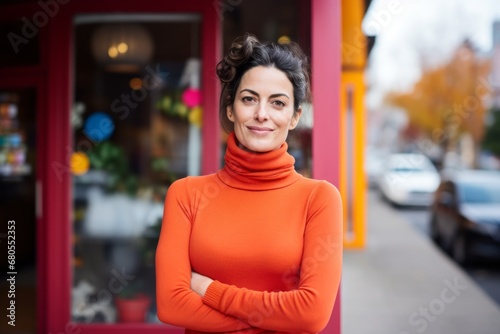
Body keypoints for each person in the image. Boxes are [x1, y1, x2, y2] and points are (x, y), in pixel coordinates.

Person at [156, 33, 342, 334]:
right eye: (249, 98)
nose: (261, 114)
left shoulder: (318, 199)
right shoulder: (186, 194)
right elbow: (171, 304)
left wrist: (209, 290)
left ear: (294, 117)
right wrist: (271, 321)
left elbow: (310, 315)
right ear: (231, 109)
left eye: (278, 103)